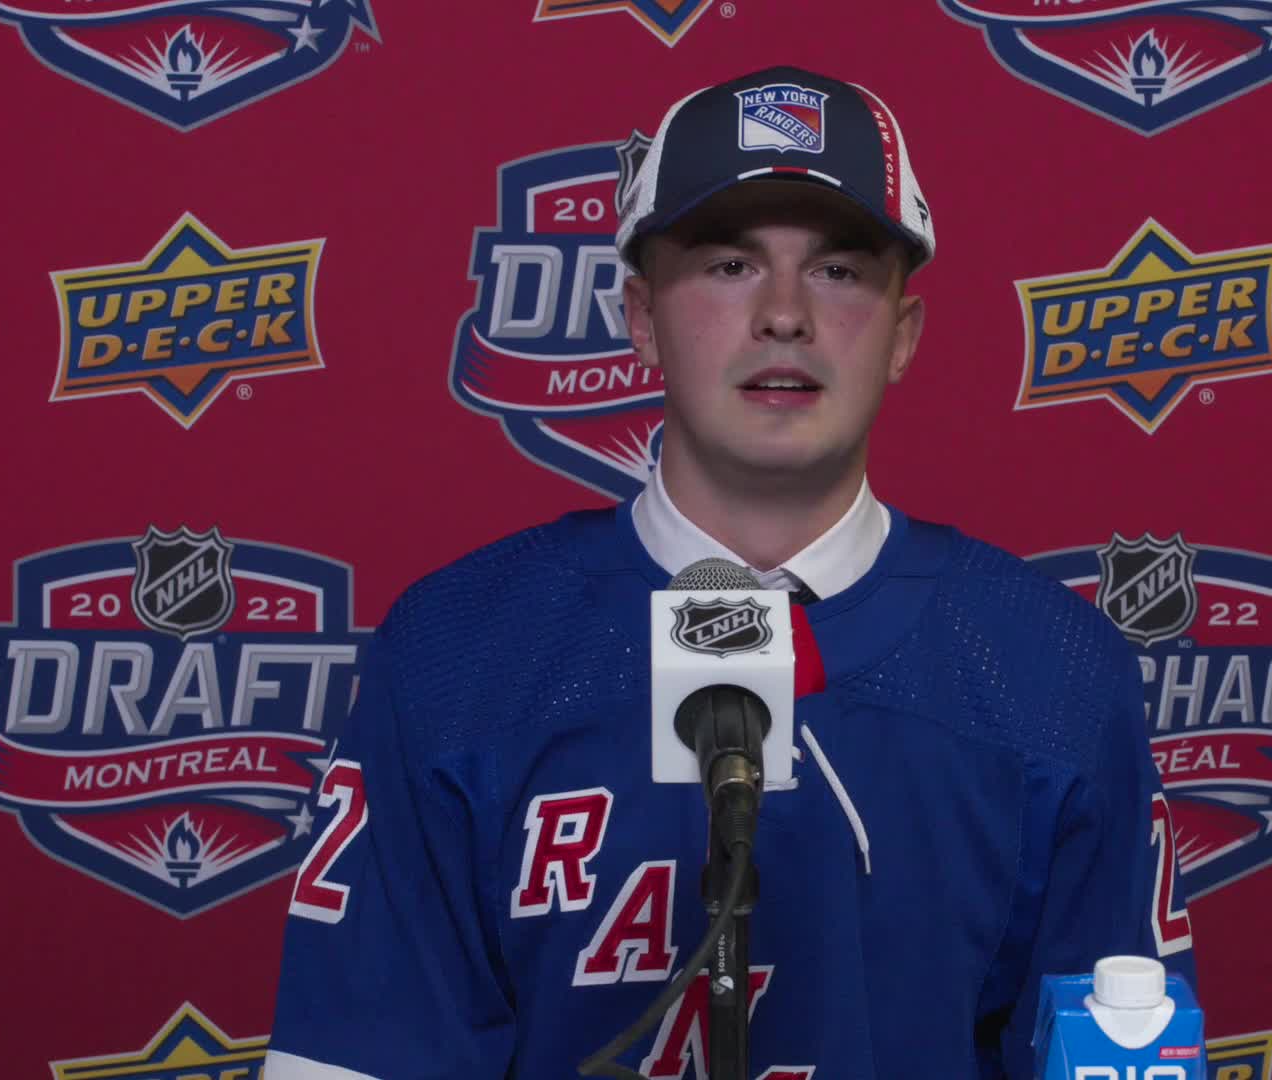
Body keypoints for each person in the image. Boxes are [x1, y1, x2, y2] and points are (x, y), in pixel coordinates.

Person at [264, 65, 1193, 1080]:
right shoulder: (455, 653)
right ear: (640, 317)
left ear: (904, 335)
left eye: (838, 271)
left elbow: (1117, 1044)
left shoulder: (1052, 667)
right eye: (729, 264)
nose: (784, 315)